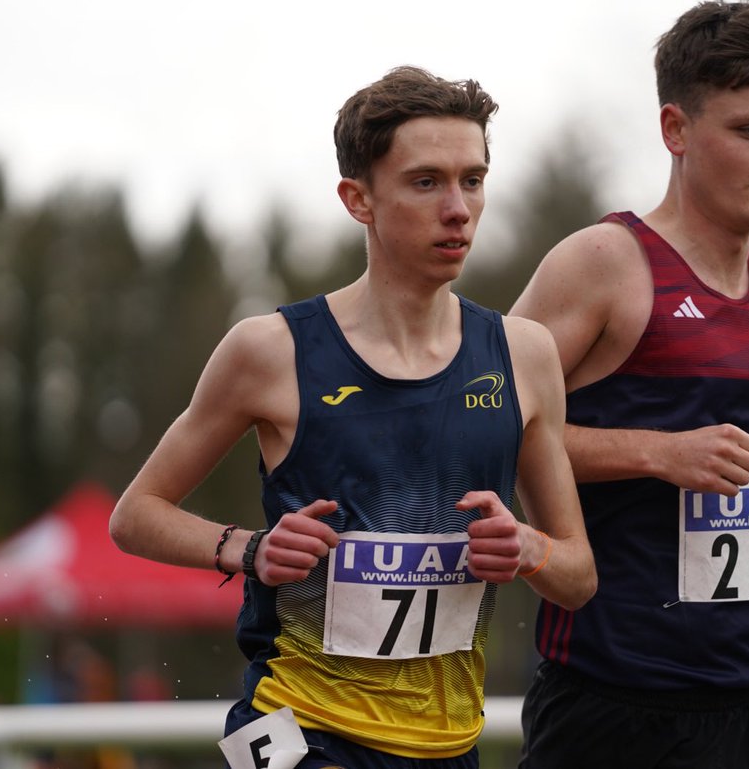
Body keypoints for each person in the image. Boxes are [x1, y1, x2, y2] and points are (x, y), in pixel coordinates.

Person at [109, 65, 595, 769]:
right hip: (299, 732)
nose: (458, 208)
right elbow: (135, 514)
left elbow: (578, 576)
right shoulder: (270, 351)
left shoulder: (524, 354)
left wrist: (531, 549)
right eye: (426, 182)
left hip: (447, 743)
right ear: (358, 199)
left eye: (473, 180)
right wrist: (250, 549)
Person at [509, 0, 749, 768]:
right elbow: (474, 425)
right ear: (676, 130)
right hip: (618, 708)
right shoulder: (604, 263)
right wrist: (655, 453)